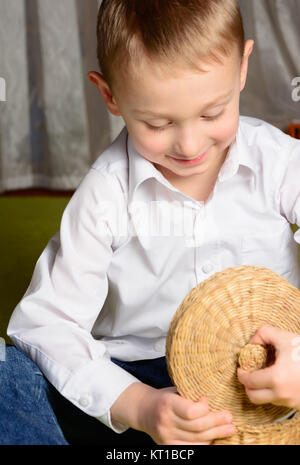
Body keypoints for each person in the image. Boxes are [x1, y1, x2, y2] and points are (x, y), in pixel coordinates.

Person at [2, 0, 300, 445]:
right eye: (157, 123)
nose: (190, 144)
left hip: (270, 373)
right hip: (141, 383)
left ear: (241, 68)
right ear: (110, 96)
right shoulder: (106, 191)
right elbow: (44, 323)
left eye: (213, 113)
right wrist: (138, 404)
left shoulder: (278, 161)